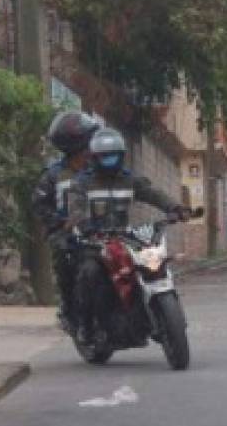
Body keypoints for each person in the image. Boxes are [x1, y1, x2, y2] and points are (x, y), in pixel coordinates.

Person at [67, 127, 189, 345]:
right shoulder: (82, 182)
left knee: (150, 264)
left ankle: (152, 315)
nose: (109, 160)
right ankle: (85, 325)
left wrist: (176, 208)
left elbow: (153, 194)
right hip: (93, 241)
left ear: (121, 156)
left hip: (124, 238)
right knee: (90, 272)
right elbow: (75, 207)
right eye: (104, 156)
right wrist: (83, 224)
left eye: (113, 155)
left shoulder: (129, 179)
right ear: (95, 158)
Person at [32, 110, 100, 335]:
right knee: (64, 257)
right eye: (88, 141)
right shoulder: (53, 176)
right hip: (68, 233)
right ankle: (70, 309)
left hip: (102, 229)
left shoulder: (101, 169)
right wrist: (60, 223)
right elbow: (40, 206)